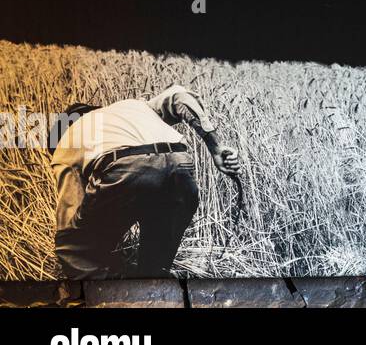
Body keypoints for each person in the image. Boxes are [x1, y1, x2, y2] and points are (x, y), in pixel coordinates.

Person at [50, 84, 243, 279]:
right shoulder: (133, 106)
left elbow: (68, 218)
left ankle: (109, 299)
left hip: (126, 167)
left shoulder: (66, 142)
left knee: (72, 249)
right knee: (153, 269)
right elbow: (181, 97)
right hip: (180, 165)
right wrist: (215, 147)